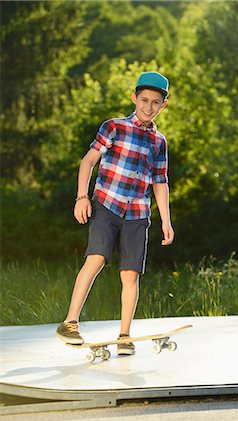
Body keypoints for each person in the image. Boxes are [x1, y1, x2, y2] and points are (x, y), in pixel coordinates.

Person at [56, 71, 174, 355]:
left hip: (137, 213)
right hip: (106, 205)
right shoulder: (114, 127)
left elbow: (160, 182)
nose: (148, 106)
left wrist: (166, 221)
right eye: (144, 100)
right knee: (96, 259)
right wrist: (81, 197)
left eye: (155, 102)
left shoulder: (159, 142)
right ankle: (70, 322)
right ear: (134, 98)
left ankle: (124, 335)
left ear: (163, 106)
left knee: (130, 275)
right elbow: (88, 162)